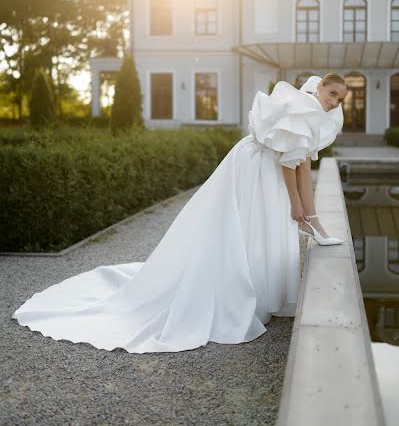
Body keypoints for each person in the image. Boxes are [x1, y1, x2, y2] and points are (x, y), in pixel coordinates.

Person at [11, 73, 349, 354]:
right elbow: (291, 167)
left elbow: (302, 163)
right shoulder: (301, 106)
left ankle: (260, 289)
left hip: (267, 167)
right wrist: (297, 206)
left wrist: (313, 216)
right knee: (246, 227)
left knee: (258, 227)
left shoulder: (313, 113)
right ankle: (240, 290)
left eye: (339, 100)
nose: (333, 102)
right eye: (332, 94)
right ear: (318, 88)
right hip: (256, 167)